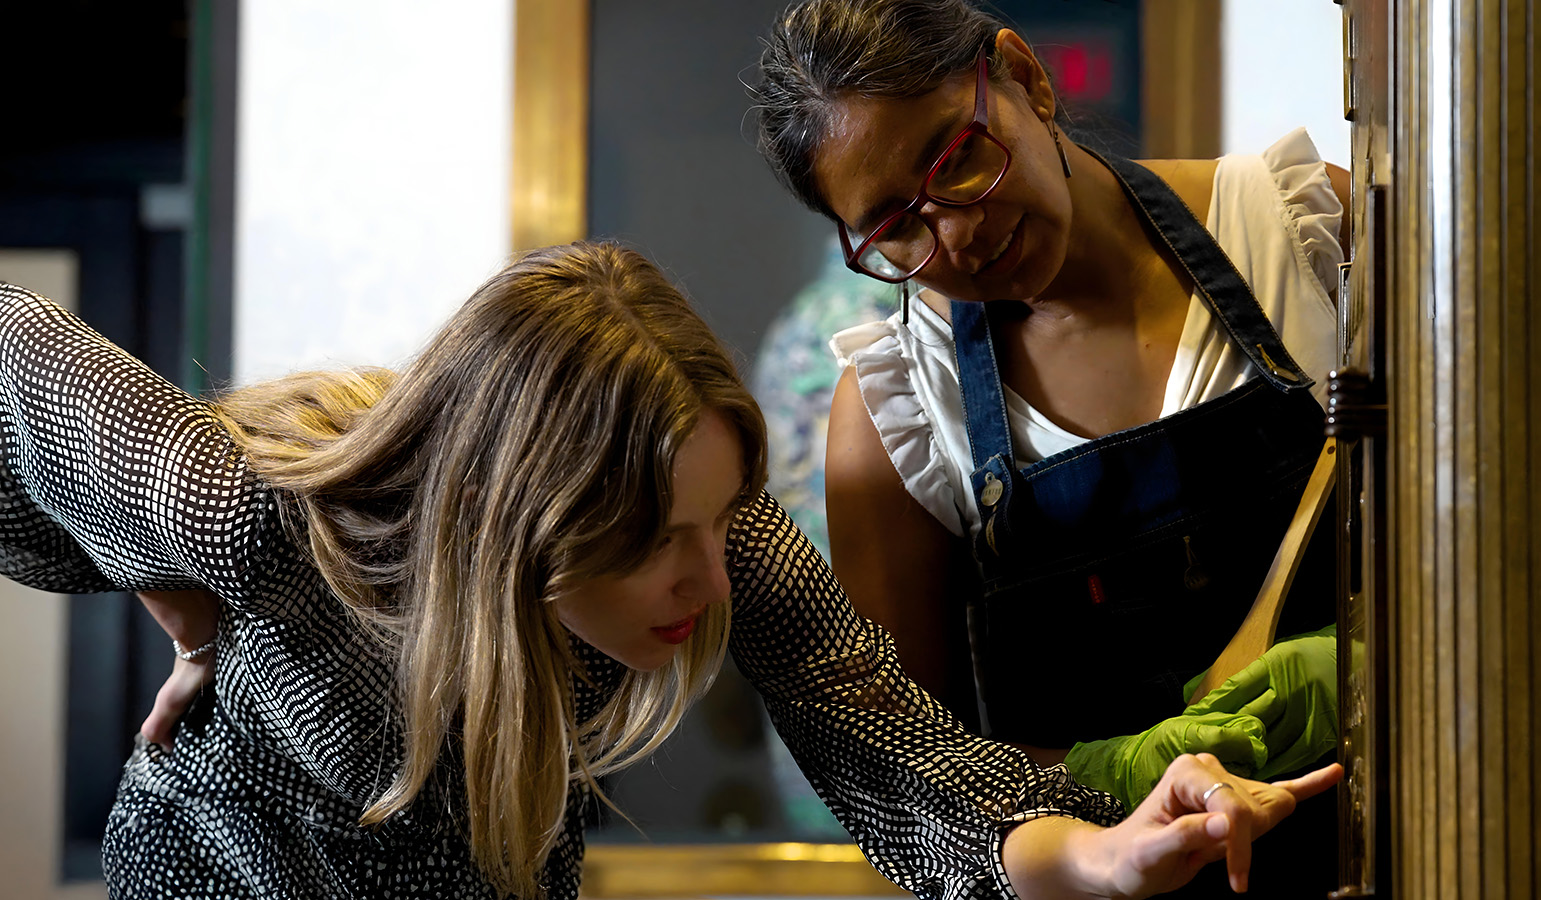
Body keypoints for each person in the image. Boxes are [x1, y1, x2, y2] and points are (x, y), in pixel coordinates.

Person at [0, 243, 1334, 900]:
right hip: (232, 864)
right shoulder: (253, 527)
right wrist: (155, 567)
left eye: (723, 519)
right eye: (657, 541)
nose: (713, 574)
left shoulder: (710, 532)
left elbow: (891, 752)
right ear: (523, 511)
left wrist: (1099, 858)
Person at [751, 0, 1344, 893]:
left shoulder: (1304, 235)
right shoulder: (900, 415)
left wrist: (1363, 673)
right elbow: (922, 784)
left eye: (955, 158)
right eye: (894, 225)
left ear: (1023, 77)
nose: (955, 232)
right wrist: (1116, 770)